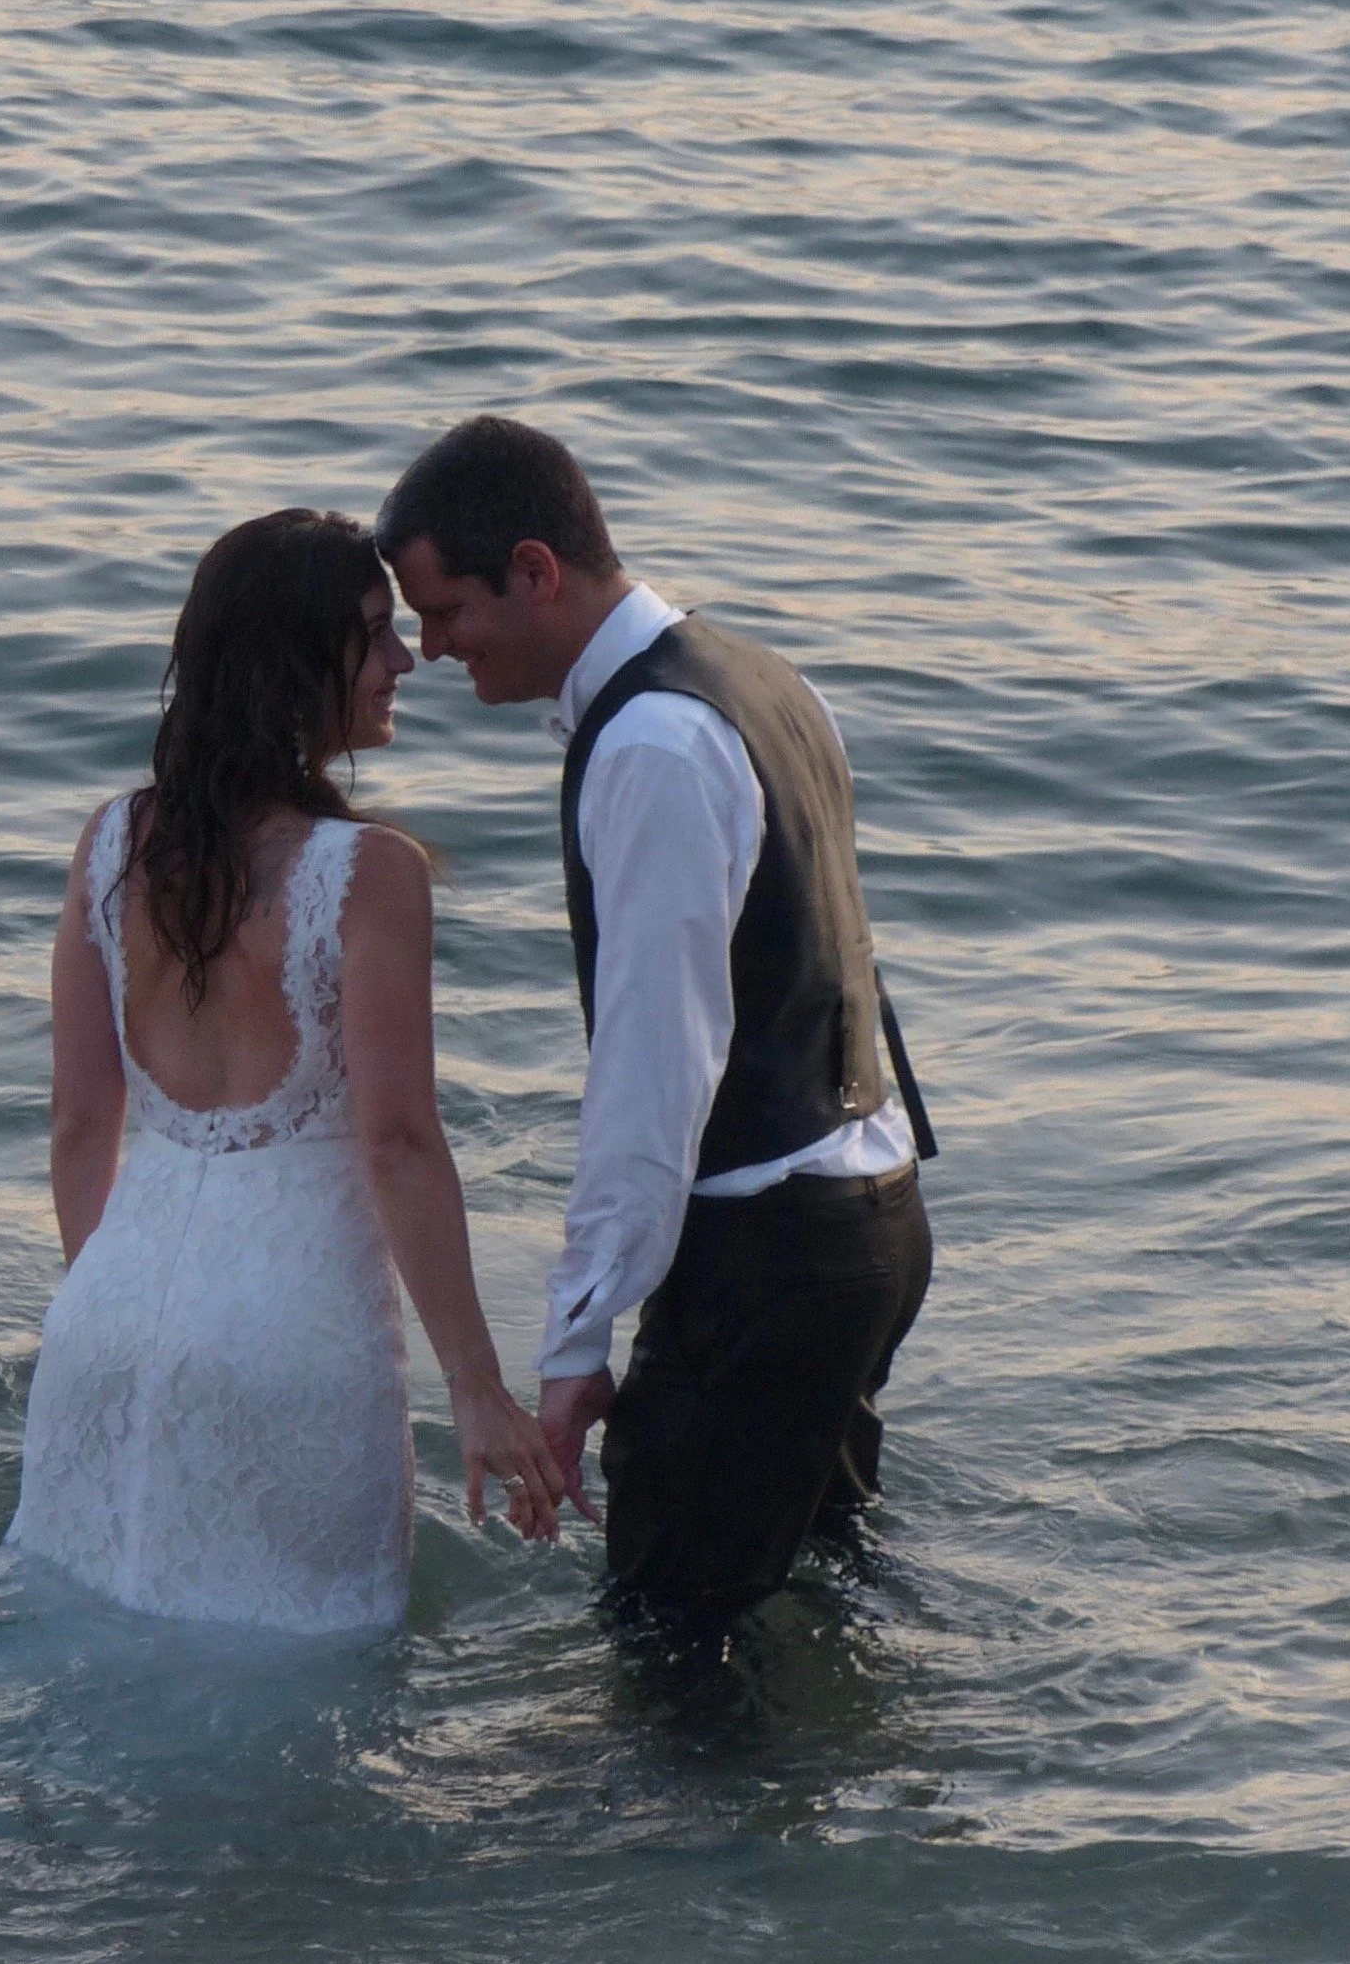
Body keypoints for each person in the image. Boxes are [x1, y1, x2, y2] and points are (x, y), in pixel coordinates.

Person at [376, 416, 935, 1620]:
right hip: (874, 1220)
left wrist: (578, 1340)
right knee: (816, 1601)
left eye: (446, 611)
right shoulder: (762, 678)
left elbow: (653, 1071)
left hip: (770, 1263)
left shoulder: (651, 746)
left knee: (671, 1651)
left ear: (535, 570)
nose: (429, 651)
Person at [9, 508, 563, 1635]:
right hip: (291, 1330)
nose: (406, 659)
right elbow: (399, 1140)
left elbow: (79, 1123)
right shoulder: (369, 872)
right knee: (309, 1688)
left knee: (81, 1642)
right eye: (373, 635)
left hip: (106, 1315)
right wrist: (474, 1384)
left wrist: (107, 1307)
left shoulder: (111, 841)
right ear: (292, 667)